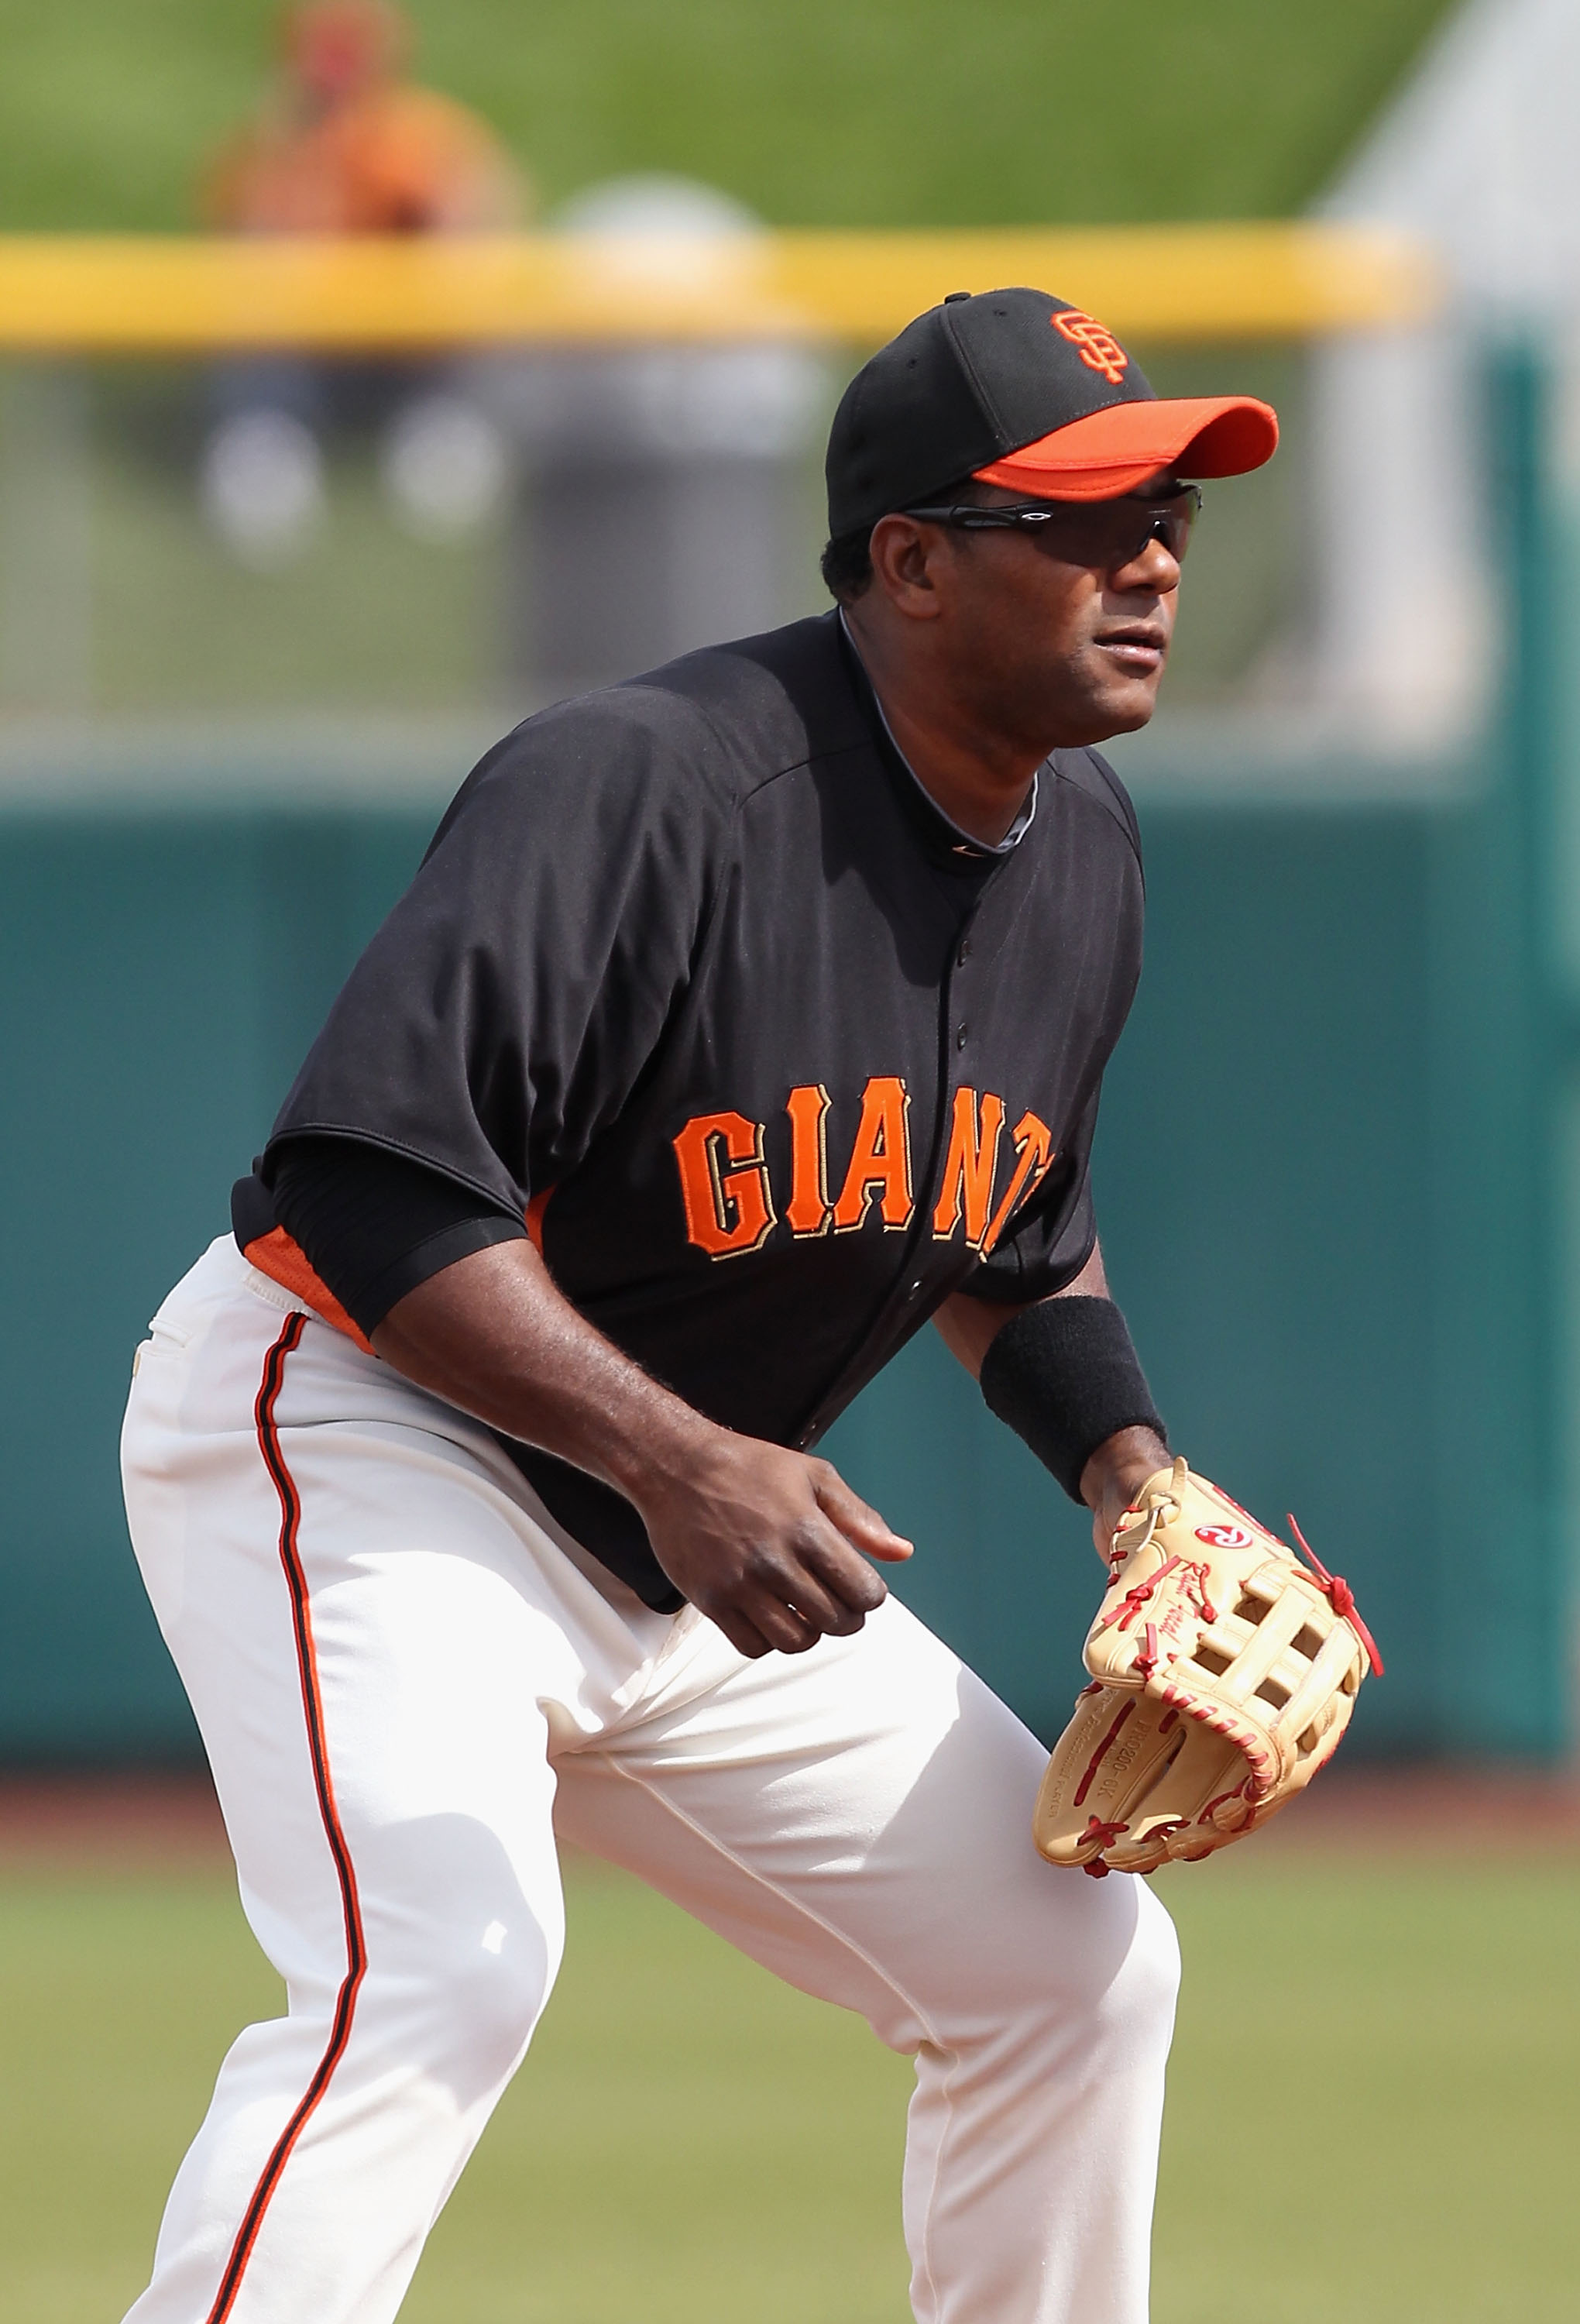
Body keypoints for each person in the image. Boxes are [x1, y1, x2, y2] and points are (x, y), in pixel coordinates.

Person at [120, 287, 1278, 2323]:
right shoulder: (646, 789)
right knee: (443, 1970)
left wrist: (1137, 1480)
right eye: (1087, 517)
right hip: (377, 1434)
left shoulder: (1079, 848)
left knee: (1069, 1974)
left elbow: (1017, 1231)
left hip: (685, 1532)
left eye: (1170, 505)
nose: (1157, 553)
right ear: (910, 564)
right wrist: (675, 1462)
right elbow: (364, 1182)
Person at [198, 0, 524, 560]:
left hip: (409, 349)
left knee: (450, 392)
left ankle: (437, 451)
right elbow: (240, 260)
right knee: (259, 378)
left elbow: (484, 224)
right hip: (306, 352)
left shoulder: (420, 137)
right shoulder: (270, 149)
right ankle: (269, 464)